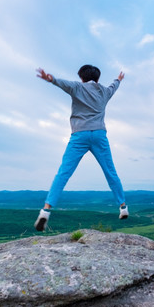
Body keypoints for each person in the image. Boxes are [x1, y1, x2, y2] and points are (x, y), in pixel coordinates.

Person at [34, 65, 128, 232]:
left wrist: (50, 79)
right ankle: (123, 207)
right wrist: (118, 79)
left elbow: (62, 84)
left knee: (64, 173)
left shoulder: (77, 87)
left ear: (82, 77)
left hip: (80, 135)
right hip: (99, 135)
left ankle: (46, 211)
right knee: (110, 171)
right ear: (97, 78)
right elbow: (114, 86)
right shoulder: (105, 91)